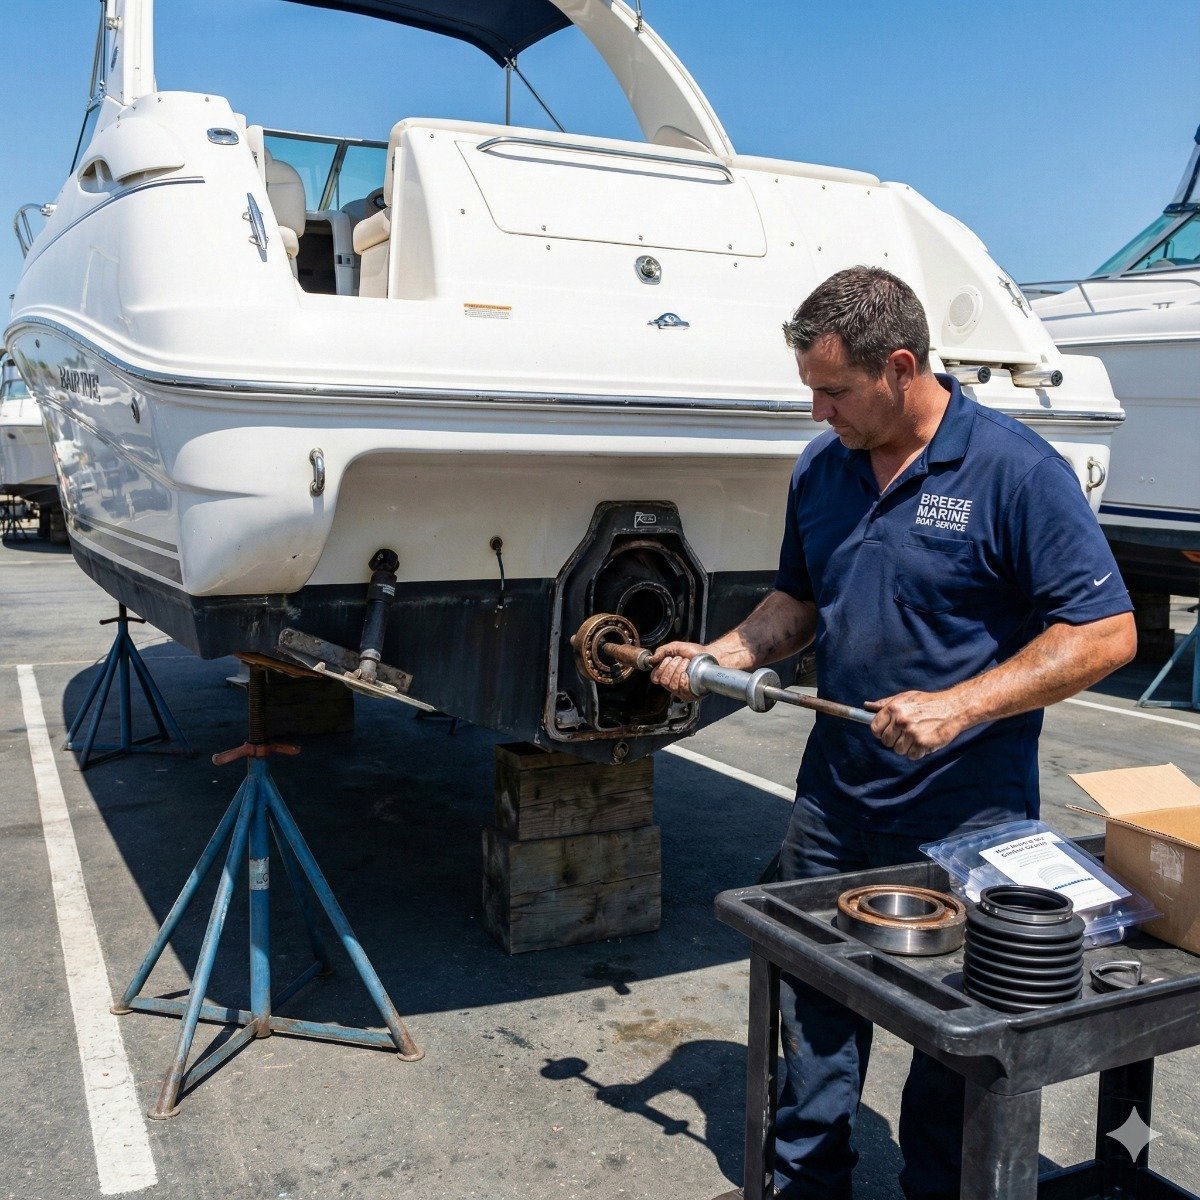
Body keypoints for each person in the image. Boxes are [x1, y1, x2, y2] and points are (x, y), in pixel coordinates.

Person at [649, 266, 1136, 1200]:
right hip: (834, 805)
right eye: (811, 391)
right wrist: (726, 652)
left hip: (966, 818)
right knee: (814, 1022)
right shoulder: (822, 468)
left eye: (834, 391)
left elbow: (1105, 633)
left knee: (952, 1040)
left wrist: (962, 703)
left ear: (901, 367)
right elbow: (800, 603)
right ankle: (807, 1185)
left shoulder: (1014, 471)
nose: (819, 410)